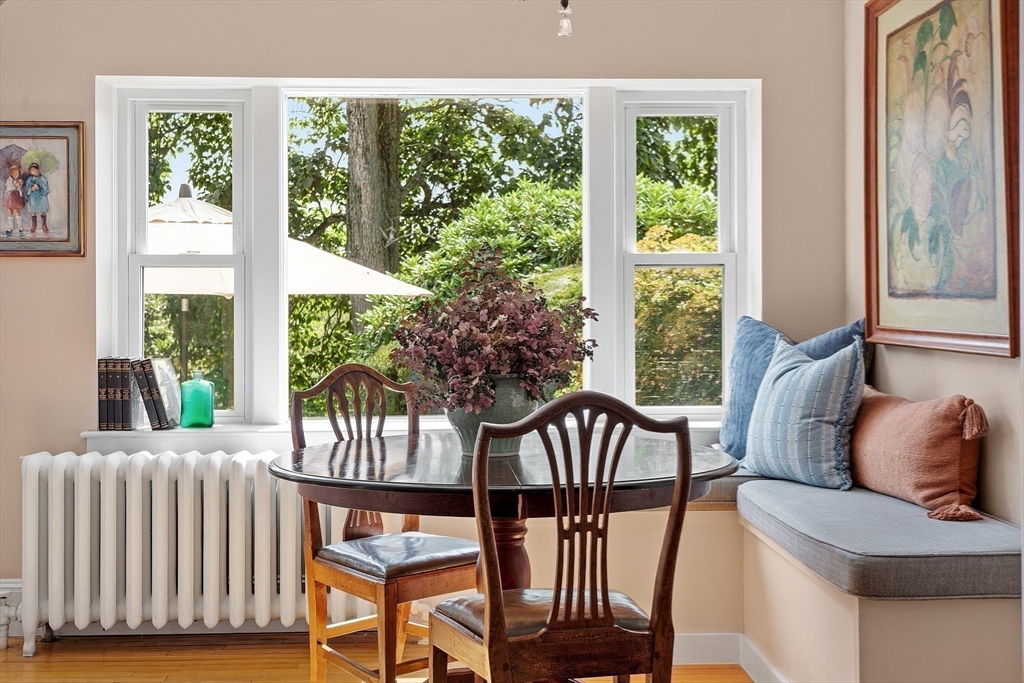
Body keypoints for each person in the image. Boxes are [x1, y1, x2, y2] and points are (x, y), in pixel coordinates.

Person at [23, 162, 49, 234]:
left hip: (41, 197)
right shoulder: (29, 179)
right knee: (33, 212)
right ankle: (34, 226)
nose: (33, 172)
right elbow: (26, 188)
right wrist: (31, 189)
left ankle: (44, 225)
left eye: (35, 170)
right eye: (32, 170)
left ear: (38, 170)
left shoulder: (43, 178)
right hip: (33, 198)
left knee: (43, 211)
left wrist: (39, 187)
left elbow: (46, 189)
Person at [3, 165, 25, 238]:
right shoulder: (8, 180)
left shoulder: (19, 179)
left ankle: (20, 227)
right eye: (14, 173)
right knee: (10, 211)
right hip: (11, 196)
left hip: (17, 196)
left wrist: (20, 184)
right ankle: (10, 227)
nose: (15, 174)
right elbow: (9, 188)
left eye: (17, 172)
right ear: (11, 173)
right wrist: (15, 185)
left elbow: (20, 188)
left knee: (18, 211)